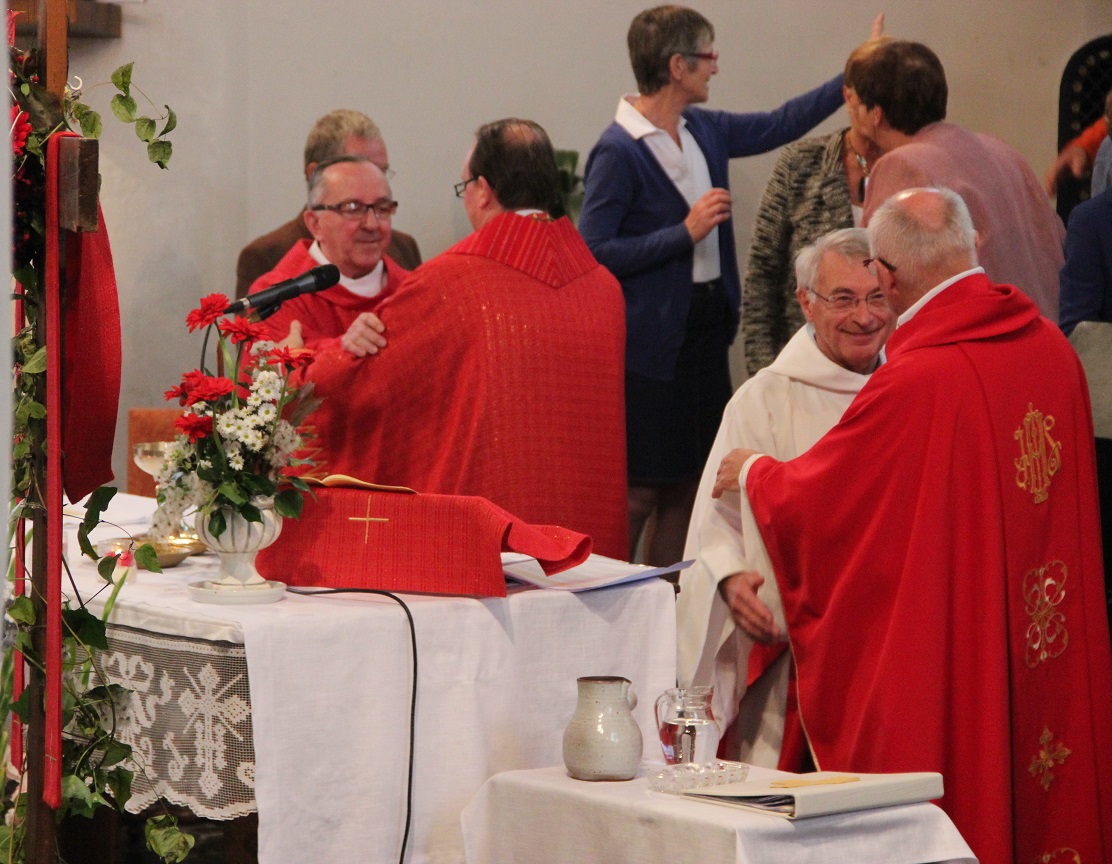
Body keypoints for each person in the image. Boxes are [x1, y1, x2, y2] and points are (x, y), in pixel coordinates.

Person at [713, 188, 1112, 864]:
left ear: (889, 277)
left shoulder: (922, 379)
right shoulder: (1051, 348)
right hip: (1044, 632)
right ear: (971, 246)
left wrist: (756, 473)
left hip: (974, 641)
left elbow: (832, 499)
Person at [578, 5, 876, 567]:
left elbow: (780, 123)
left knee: (692, 482)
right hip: (652, 348)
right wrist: (683, 233)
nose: (715, 65)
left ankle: (671, 596)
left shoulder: (702, 129)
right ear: (678, 66)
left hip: (705, 332)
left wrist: (853, 75)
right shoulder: (618, 151)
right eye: (707, 55)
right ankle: (613, 595)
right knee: (642, 488)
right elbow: (593, 250)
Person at [293, 119, 628, 558]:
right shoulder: (605, 289)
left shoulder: (449, 284)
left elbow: (364, 386)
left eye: (464, 186)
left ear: (483, 190)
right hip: (591, 552)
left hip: (497, 551)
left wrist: (299, 369)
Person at [679, 228, 893, 769]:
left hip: (886, 641)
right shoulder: (764, 399)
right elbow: (715, 522)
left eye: (876, 297)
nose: (865, 317)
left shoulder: (908, 388)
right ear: (806, 303)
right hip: (790, 652)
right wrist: (729, 579)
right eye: (843, 299)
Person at [848, 39, 1066, 321]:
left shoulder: (902, 165)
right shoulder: (1001, 149)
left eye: (855, 103)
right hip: (1044, 327)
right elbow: (1058, 242)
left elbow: (877, 279)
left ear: (876, 114)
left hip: (979, 333)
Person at [235, 109, 421, 299]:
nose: (373, 178)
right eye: (357, 167)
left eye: (381, 171)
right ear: (314, 173)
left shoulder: (403, 248)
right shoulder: (267, 256)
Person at [248, 155, 408, 356]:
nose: (372, 224)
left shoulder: (412, 291)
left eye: (382, 208)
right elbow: (274, 372)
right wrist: (346, 347)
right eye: (352, 208)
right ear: (315, 224)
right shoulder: (276, 298)